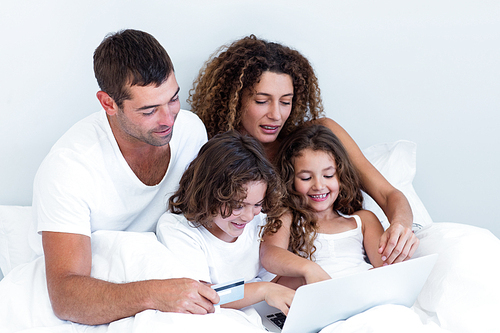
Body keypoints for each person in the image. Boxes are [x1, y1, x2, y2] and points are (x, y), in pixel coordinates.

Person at [29, 29, 219, 326]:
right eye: (148, 110)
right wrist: (156, 293)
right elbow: (65, 296)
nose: (168, 120)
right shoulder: (68, 167)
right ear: (108, 104)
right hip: (106, 289)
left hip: (172, 273)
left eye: (173, 99)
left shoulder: (191, 130)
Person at [189, 34, 418, 265]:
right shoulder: (216, 156)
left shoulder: (318, 140)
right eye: (261, 101)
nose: (276, 115)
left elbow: (390, 195)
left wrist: (400, 225)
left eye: (285, 101)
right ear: (234, 99)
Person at [156, 131, 295, 315]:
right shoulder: (178, 229)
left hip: (264, 314)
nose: (248, 217)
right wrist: (264, 290)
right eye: (237, 205)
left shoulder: (258, 219)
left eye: (257, 204)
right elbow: (203, 295)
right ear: (208, 193)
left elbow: (274, 279)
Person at [260, 124, 385, 287]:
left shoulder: (363, 220)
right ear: (290, 182)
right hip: (318, 297)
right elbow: (269, 254)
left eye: (328, 175)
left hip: (362, 293)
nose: (318, 185)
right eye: (306, 178)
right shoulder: (287, 219)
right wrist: (309, 269)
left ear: (341, 175)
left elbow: (385, 269)